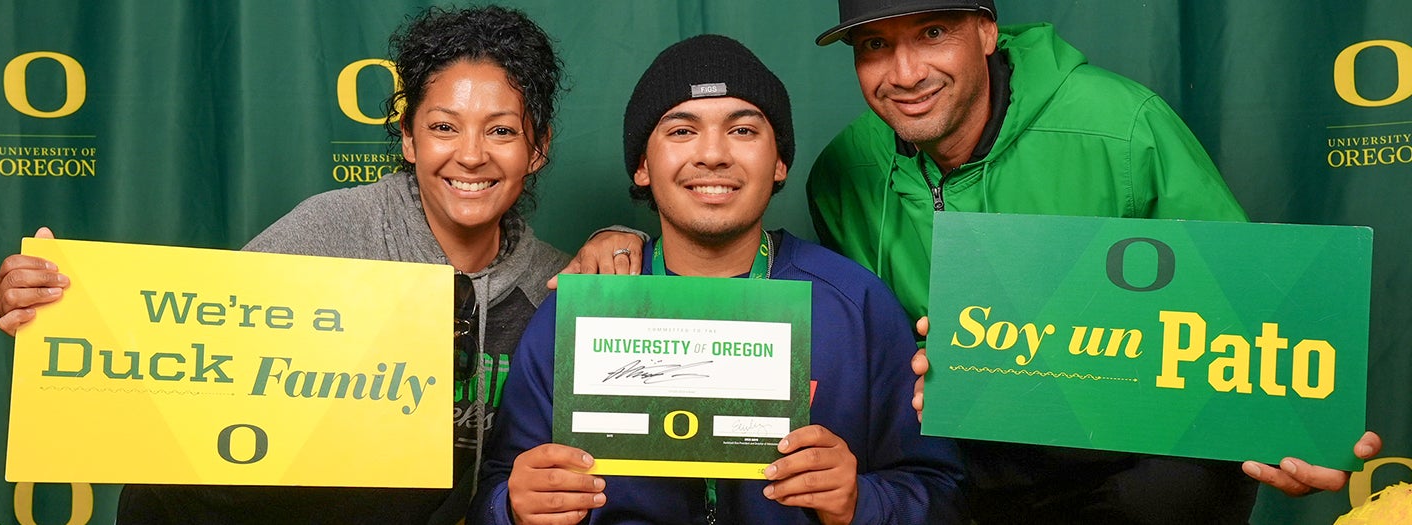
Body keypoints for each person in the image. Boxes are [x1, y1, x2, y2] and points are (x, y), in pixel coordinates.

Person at [805, 0, 1382, 522]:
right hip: (969, 462)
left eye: (933, 33)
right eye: (875, 45)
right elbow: (872, 356)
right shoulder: (843, 173)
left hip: (1136, 459)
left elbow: (1248, 316)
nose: (905, 74)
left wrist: (1298, 429)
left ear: (986, 32)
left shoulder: (1124, 127)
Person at [0, 5, 572, 523]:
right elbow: (185, 350)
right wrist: (59, 304)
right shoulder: (328, 232)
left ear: (538, 147)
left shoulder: (556, 288)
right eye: (443, 127)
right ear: (408, 140)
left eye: (500, 131)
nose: (470, 155)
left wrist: (615, 238)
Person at [471, 34, 968, 524]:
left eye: (743, 131)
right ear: (643, 165)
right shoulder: (581, 306)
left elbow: (942, 490)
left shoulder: (855, 304)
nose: (713, 154)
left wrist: (862, 502)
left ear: (779, 163)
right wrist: (513, 508)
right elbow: (495, 488)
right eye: (682, 131)